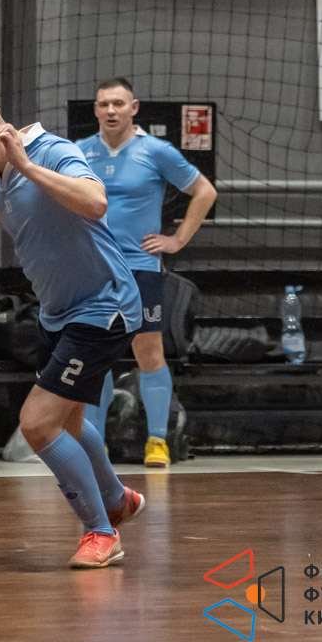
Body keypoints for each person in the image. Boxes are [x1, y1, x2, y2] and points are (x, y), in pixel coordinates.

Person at [0, 86, 145, 569]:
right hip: (59, 313)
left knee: (36, 424)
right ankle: (117, 500)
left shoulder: (48, 151)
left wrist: (28, 166)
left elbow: (95, 202)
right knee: (68, 424)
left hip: (103, 307)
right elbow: (21, 218)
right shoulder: (5, 173)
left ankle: (101, 532)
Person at [74, 77, 217, 467]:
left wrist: (177, 239)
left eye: (118, 104)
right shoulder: (78, 151)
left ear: (133, 107)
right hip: (93, 267)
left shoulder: (156, 151)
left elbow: (205, 191)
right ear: (96, 109)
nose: (111, 111)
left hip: (140, 267)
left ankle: (157, 441)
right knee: (94, 353)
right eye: (104, 104)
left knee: (148, 351)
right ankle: (95, 445)